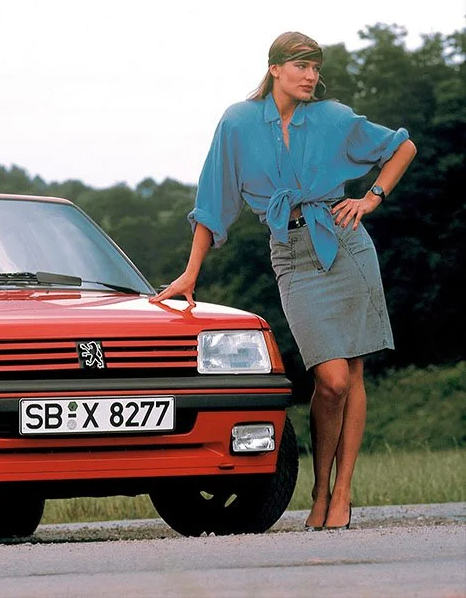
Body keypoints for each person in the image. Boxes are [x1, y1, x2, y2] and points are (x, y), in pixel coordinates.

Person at [150, 31, 417, 531]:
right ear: (274, 68)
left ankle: (341, 493)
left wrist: (371, 198)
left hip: (346, 243)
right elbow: (212, 202)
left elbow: (402, 147)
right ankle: (319, 488)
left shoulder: (333, 117)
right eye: (301, 66)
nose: (311, 76)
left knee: (353, 373)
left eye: (315, 68)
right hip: (291, 254)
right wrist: (190, 273)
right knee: (330, 379)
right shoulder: (238, 122)